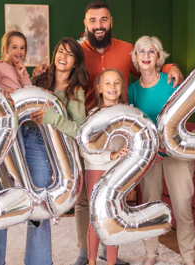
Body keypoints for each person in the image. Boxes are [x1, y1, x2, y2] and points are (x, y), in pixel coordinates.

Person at [34, 3, 185, 264]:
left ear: (111, 21)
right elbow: (60, 71)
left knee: (114, 195)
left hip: (118, 132)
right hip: (85, 131)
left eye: (103, 19)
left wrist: (168, 66)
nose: (98, 25)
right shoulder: (77, 52)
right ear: (85, 23)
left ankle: (108, 251)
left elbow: (146, 66)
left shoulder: (127, 50)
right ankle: (86, 253)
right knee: (85, 199)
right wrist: (41, 70)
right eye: (93, 20)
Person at [0, 37, 88, 265]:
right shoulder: (39, 79)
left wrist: (54, 119)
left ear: (76, 63)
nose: (63, 57)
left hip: (42, 149)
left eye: (69, 54)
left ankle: (38, 262)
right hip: (14, 140)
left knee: (39, 207)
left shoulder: (75, 91)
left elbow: (79, 129)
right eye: (60, 51)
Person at [128, 35, 195, 265]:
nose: (146, 56)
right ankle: (151, 254)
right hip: (150, 156)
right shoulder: (132, 90)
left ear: (158, 57)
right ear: (135, 57)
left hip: (178, 153)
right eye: (141, 52)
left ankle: (188, 256)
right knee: (150, 205)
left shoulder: (171, 81)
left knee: (182, 206)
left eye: (151, 51)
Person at [0, 30, 33, 265]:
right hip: (4, 134)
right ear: (6, 49)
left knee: (12, 190)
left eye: (22, 48)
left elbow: (31, 97)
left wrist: (23, 75)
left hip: (22, 132)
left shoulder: (22, 71)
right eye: (15, 47)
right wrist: (13, 92)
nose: (19, 52)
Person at [79, 69, 129, 265]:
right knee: (96, 217)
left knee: (114, 216)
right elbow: (85, 148)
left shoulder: (128, 114)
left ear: (122, 88)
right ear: (99, 88)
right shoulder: (92, 116)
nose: (112, 87)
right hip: (96, 170)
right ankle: (91, 261)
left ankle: (111, 262)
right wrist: (110, 155)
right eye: (107, 83)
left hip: (119, 171)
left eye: (116, 83)